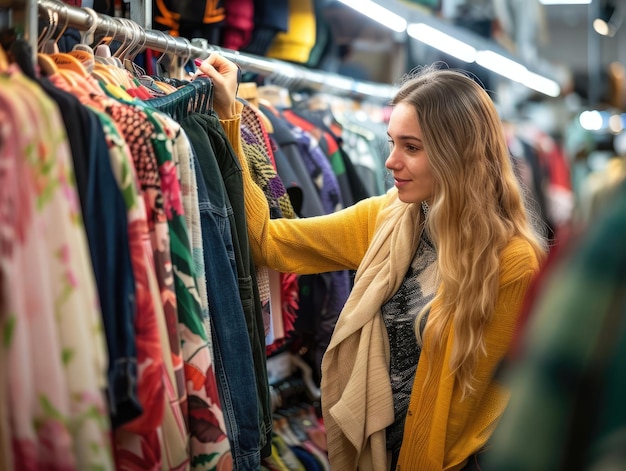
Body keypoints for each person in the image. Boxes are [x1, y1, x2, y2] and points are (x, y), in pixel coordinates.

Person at [196, 53, 547, 471]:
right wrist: (229, 117)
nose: (390, 161)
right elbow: (268, 244)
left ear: (459, 154)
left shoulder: (512, 263)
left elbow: (470, 419)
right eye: (392, 141)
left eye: (411, 147)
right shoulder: (387, 218)